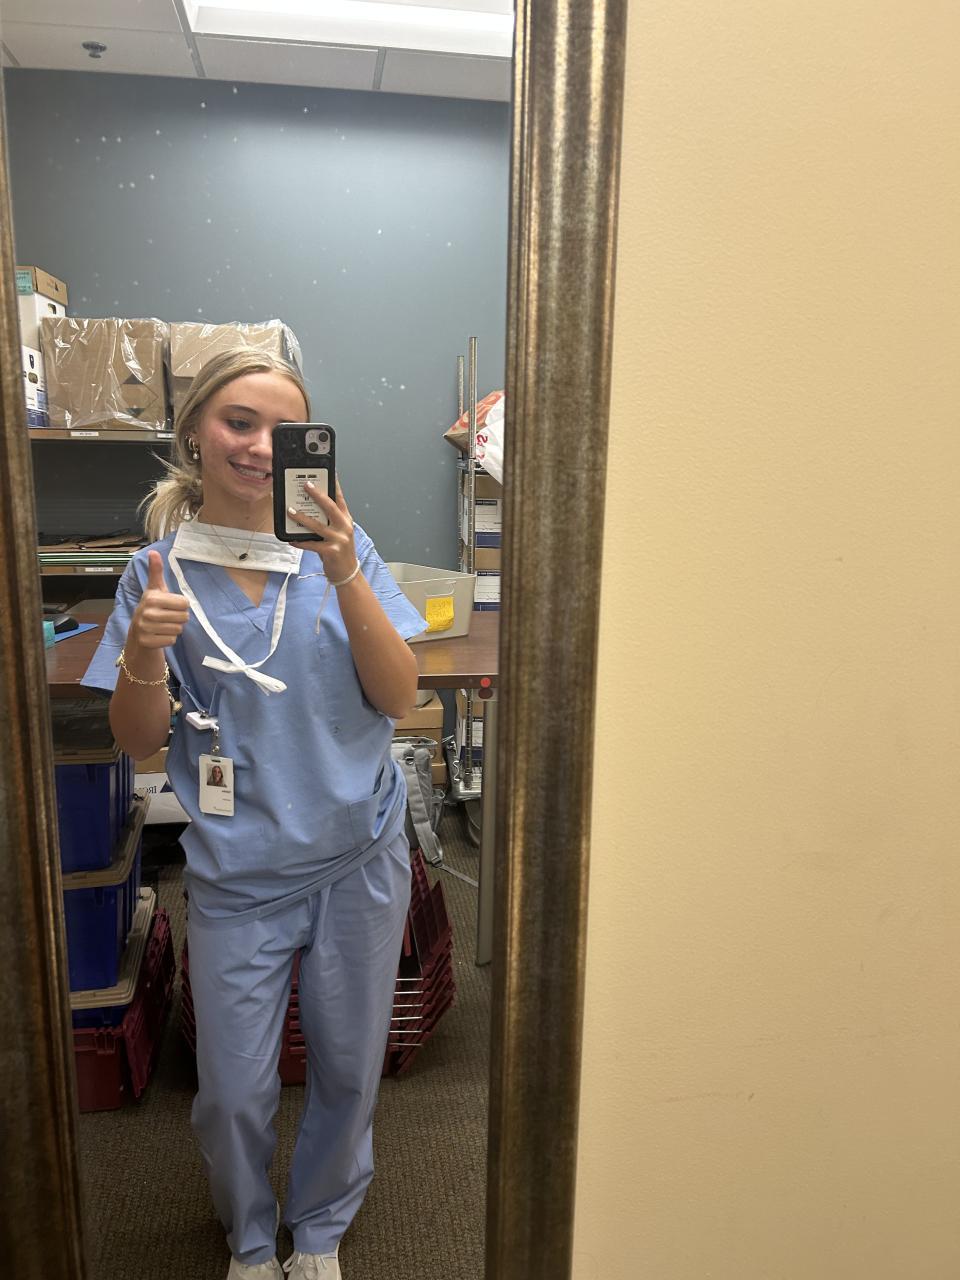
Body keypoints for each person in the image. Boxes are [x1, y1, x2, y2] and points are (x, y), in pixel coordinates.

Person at [82, 348, 427, 1280]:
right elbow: (137, 742)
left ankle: (318, 1230)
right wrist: (143, 654)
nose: (262, 447)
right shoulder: (156, 571)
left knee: (348, 1067)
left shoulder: (343, 551)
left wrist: (346, 573)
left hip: (356, 853)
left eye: (285, 430)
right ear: (195, 431)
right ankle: (246, 1236)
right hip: (239, 869)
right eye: (239, 422)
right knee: (232, 1089)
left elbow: (400, 697)